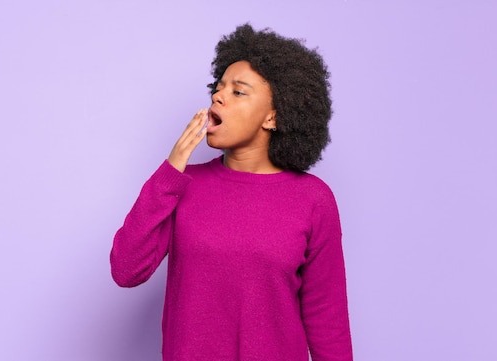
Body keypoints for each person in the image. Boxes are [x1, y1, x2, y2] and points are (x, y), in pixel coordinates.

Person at [110, 23, 353, 361]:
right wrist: (172, 167)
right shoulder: (183, 186)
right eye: (219, 87)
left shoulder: (313, 199)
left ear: (273, 116)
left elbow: (328, 320)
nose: (218, 96)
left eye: (238, 91)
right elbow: (126, 269)